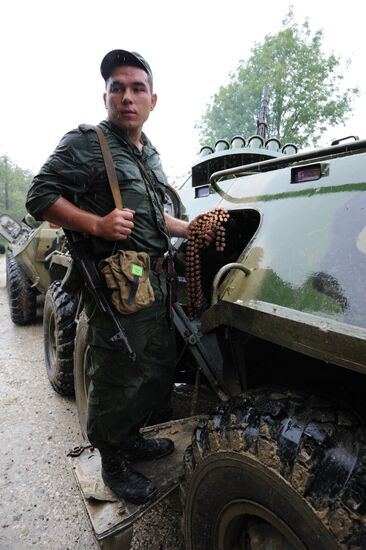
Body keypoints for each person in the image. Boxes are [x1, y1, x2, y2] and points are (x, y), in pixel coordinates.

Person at [26, 49, 210, 505]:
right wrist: (96, 225)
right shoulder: (88, 143)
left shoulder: (150, 154)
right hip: (116, 286)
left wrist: (191, 228)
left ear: (153, 100)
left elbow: (155, 218)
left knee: (151, 370)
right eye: (118, 88)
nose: (127, 97)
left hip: (153, 283)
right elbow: (39, 195)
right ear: (106, 96)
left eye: (137, 88)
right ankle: (112, 460)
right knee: (114, 372)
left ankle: (131, 440)